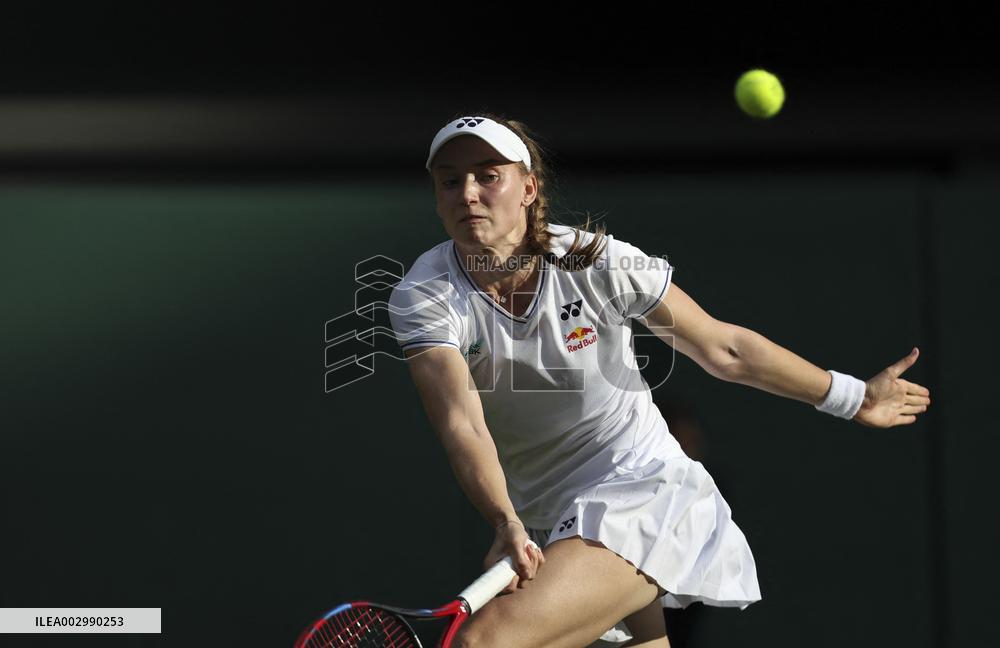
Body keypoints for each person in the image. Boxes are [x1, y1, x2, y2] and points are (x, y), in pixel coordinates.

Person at [388, 114, 931, 648]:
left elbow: (724, 350)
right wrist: (506, 519)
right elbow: (462, 423)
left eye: (489, 175)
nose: (468, 193)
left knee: (483, 642)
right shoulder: (423, 296)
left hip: (642, 493)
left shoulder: (598, 262)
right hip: (550, 521)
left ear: (529, 188)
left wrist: (853, 397)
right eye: (450, 181)